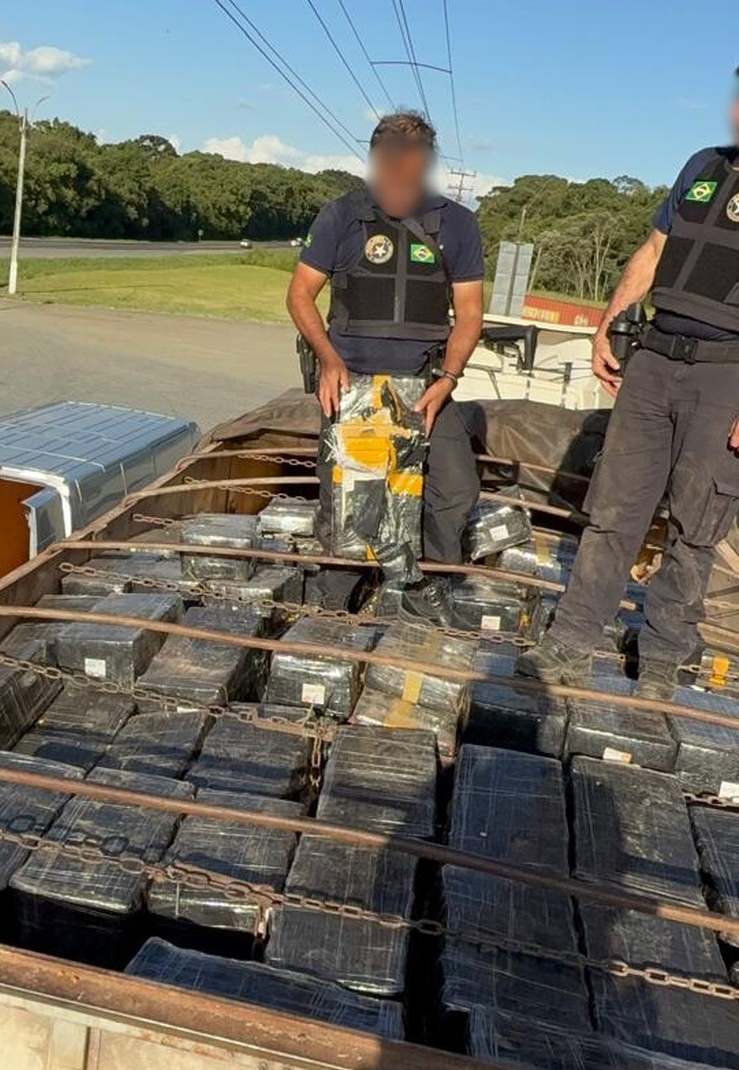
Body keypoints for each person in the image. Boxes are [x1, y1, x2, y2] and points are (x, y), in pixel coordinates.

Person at [517, 70, 739, 698]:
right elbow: (653, 248)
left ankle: (664, 655)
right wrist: (606, 323)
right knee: (614, 511)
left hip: (728, 375)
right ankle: (570, 641)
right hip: (654, 360)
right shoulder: (703, 164)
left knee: (699, 523)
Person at [287, 110, 485, 624]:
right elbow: (301, 296)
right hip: (352, 385)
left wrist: (447, 380)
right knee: (352, 506)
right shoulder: (341, 216)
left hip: (424, 386)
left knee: (456, 491)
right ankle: (334, 608)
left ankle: (427, 589)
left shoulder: (458, 225)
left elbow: (469, 315)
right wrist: (328, 360)